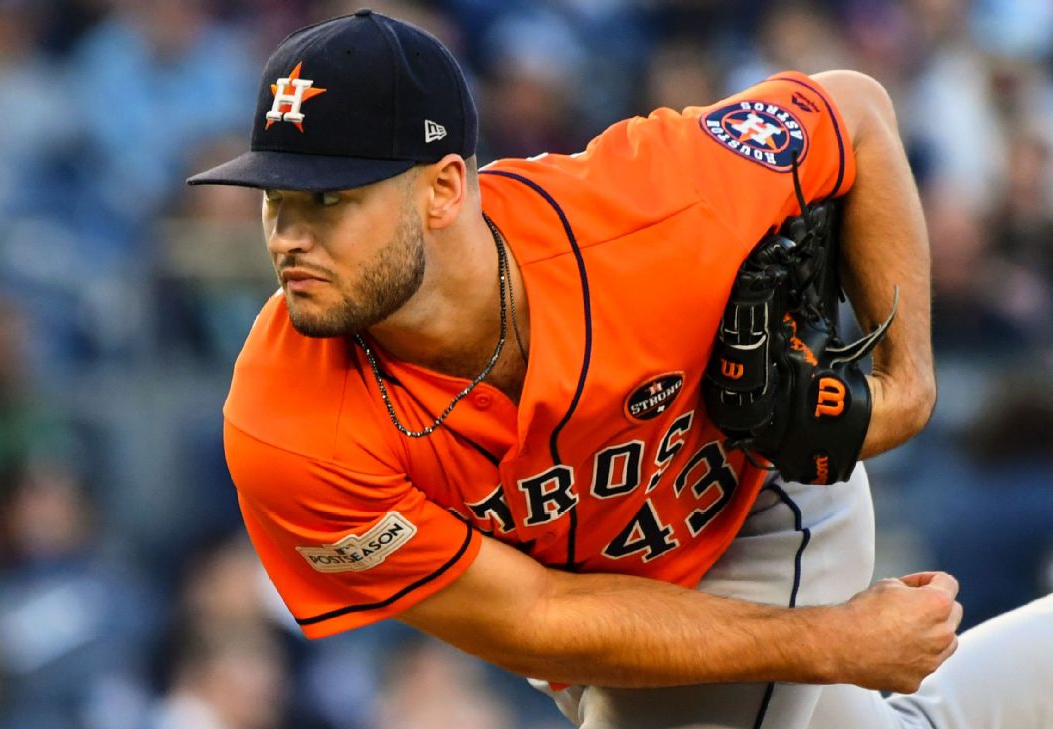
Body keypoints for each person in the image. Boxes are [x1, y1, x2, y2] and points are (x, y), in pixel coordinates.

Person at [187, 10, 1052, 729]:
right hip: (593, 597)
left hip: (754, 511)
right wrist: (841, 645)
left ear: (444, 189)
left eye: (327, 200)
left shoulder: (649, 209)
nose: (285, 236)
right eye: (275, 196)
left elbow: (852, 109)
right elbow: (535, 621)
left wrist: (907, 390)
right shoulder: (283, 423)